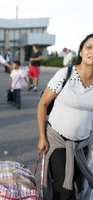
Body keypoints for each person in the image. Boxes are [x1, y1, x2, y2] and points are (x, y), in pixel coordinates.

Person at [37, 33, 93, 200]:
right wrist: (42, 137)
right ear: (81, 52)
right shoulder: (65, 74)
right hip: (57, 141)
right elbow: (43, 104)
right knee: (65, 192)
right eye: (89, 47)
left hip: (82, 145)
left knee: (74, 187)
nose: (92, 52)